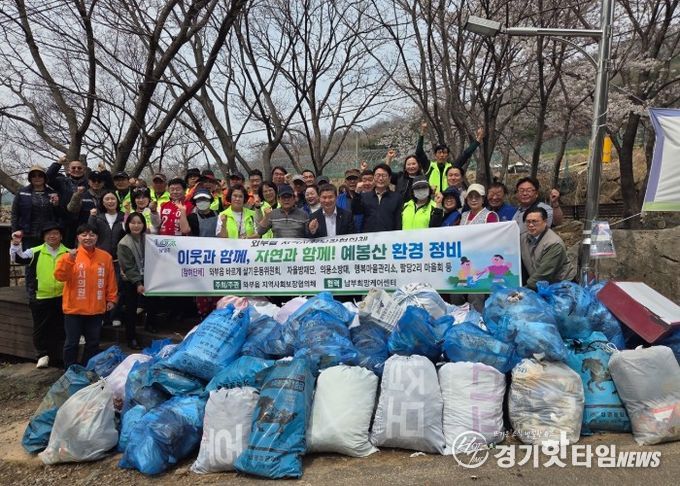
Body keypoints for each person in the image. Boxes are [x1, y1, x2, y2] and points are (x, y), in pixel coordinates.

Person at [55, 223, 117, 369]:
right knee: (72, 342)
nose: (88, 238)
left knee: (93, 343)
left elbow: (111, 280)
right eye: (84, 235)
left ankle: (87, 369)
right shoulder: (68, 256)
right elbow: (60, 277)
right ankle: (69, 370)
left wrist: (112, 298)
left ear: (97, 237)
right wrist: (69, 260)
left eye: (92, 235)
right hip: (74, 309)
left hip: (96, 308)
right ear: (78, 237)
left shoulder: (105, 257)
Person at [10, 222, 69, 368]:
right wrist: (16, 244)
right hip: (41, 296)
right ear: (43, 237)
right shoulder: (35, 251)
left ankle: (57, 356)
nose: (52, 236)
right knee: (40, 327)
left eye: (55, 233)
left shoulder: (69, 252)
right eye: (48, 234)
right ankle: (42, 355)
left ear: (61, 236)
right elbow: (18, 258)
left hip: (63, 296)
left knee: (60, 327)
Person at [415, 121, 485, 192]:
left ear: (448, 155)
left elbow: (466, 154)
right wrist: (422, 133)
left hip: (449, 197)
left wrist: (478, 139)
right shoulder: (429, 166)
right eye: (439, 153)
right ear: (435, 155)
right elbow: (419, 152)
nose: (442, 155)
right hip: (433, 197)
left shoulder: (452, 167)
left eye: (444, 153)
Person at [520, 207, 576, 290]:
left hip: (561, 286)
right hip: (539, 283)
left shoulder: (554, 243)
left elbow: (543, 274)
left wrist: (523, 291)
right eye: (528, 222)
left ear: (545, 222)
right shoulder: (523, 238)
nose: (531, 225)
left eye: (535, 221)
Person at [11, 166, 61, 250]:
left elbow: (58, 214)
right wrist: (15, 231)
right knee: (29, 257)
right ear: (30, 178)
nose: (37, 178)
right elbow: (15, 214)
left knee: (47, 257)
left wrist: (56, 205)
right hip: (28, 234)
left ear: (44, 178)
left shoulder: (52, 193)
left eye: (40, 175)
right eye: (34, 176)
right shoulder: (22, 193)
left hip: (48, 234)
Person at [117, 212, 147, 349]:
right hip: (131, 281)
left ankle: (150, 326)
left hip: (147, 277)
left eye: (139, 223)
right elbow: (128, 267)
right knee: (131, 309)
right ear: (127, 225)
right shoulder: (124, 243)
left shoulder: (147, 239)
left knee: (151, 303)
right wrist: (138, 283)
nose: (136, 225)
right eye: (133, 223)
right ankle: (131, 338)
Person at [46, 156, 89, 246]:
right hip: (65, 221)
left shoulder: (89, 183)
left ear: (84, 170)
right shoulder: (62, 182)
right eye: (73, 168)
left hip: (84, 221)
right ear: (68, 170)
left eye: (79, 168)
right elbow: (48, 177)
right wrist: (58, 163)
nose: (76, 170)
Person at [352, 164, 403, 232]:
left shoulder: (397, 197)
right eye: (378, 175)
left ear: (389, 178)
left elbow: (398, 221)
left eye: (384, 175)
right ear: (373, 177)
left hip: (389, 236)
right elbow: (355, 211)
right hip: (369, 236)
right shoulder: (365, 196)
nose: (380, 179)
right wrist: (357, 193)